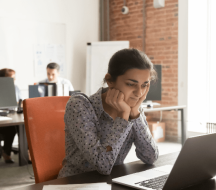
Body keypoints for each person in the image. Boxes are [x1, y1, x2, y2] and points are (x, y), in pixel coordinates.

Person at [58, 48, 159, 178]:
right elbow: (102, 165)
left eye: (144, 85)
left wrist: (134, 114)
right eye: (130, 84)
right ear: (110, 81)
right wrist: (123, 117)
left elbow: (151, 157)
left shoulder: (133, 108)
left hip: (112, 182)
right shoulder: (79, 105)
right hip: (77, 183)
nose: (139, 93)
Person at [0, 68, 19, 163]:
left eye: (14, 78)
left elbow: (19, 102)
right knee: (11, 128)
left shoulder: (15, 88)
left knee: (23, 127)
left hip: (12, 117)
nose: (14, 80)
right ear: (3, 79)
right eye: (12, 78)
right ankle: (6, 153)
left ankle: (27, 153)